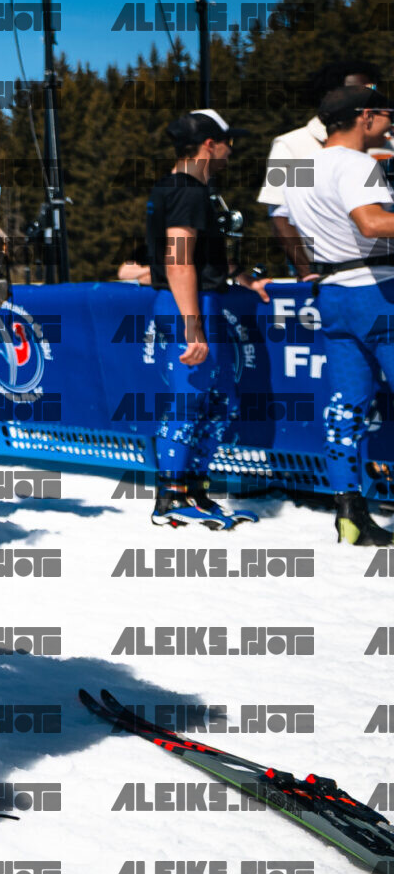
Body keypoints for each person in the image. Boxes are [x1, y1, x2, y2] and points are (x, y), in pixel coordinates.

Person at [278, 85, 394, 547]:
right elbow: (371, 222)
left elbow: (283, 221)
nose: (390, 122)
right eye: (387, 113)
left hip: (332, 292)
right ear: (365, 116)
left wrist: (306, 266)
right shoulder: (357, 163)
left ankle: (349, 514)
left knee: (346, 406)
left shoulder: (298, 167)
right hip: (377, 291)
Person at [141, 109, 258, 529]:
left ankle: (194, 491)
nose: (231, 151)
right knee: (190, 401)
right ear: (210, 144)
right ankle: (171, 498)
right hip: (187, 306)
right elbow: (178, 260)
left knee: (219, 400)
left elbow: (195, 255)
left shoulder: (184, 188)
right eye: (228, 142)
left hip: (195, 301)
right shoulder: (186, 189)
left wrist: (240, 275)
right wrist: (193, 326)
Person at [260, 58, 378, 282]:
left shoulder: (385, 143)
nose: (370, 97)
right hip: (328, 277)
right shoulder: (291, 145)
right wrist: (308, 273)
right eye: (359, 91)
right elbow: (280, 217)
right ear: (331, 95)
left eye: (372, 90)